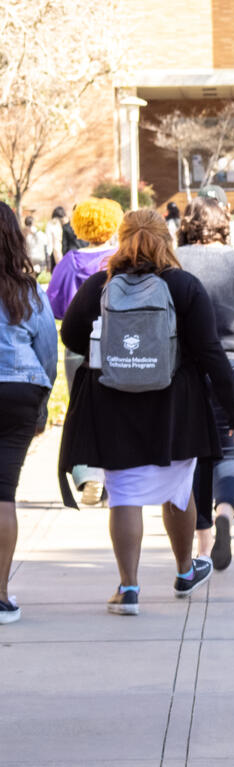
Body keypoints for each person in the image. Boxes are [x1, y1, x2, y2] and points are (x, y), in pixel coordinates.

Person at [59, 209, 234, 616]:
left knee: (124, 492)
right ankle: (184, 572)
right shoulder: (183, 286)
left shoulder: (100, 285)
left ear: (123, 239)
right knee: (178, 489)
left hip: (113, 403)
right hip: (174, 405)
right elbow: (210, 352)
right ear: (167, 239)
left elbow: (71, 334)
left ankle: (128, 589)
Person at [176, 197, 234, 570]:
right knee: (232, 451)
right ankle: (225, 512)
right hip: (233, 366)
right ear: (225, 222)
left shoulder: (172, 262)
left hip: (184, 372)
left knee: (193, 456)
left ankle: (203, 544)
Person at [0, 202, 58, 624]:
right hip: (20, 388)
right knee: (3, 494)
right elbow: (47, 352)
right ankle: (0, 596)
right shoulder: (26, 291)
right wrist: (42, 406)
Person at [47, 198, 124, 506]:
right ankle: (111, 482)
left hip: (78, 344)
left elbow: (54, 303)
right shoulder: (120, 259)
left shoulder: (70, 261)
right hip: (117, 345)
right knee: (116, 411)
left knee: (80, 410)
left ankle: (87, 472)